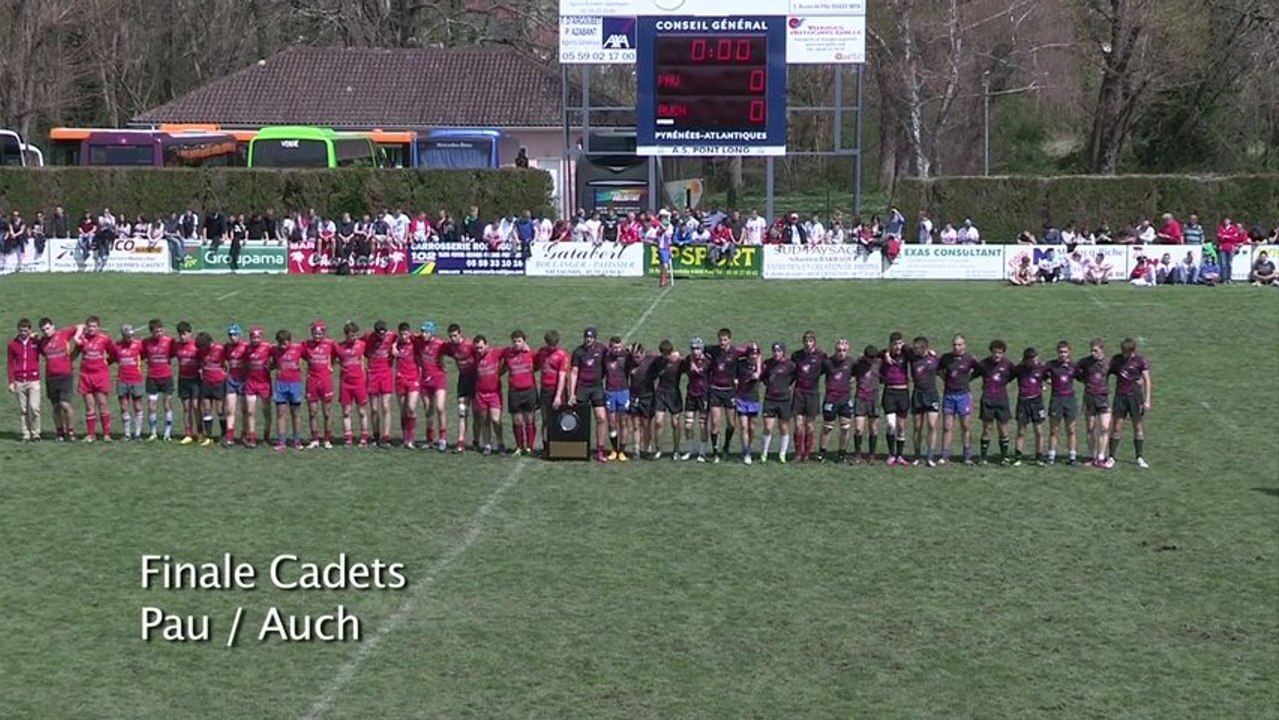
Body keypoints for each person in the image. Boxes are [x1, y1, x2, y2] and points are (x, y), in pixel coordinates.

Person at [1108, 338, 1152, 468]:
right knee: (1117, 427)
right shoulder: (1116, 360)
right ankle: (1111, 456)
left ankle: (1139, 457)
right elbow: (1106, 373)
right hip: (1120, 397)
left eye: (1127, 352)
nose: (1125, 355)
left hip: (1135, 398)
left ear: (1133, 351)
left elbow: (1147, 380)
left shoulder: (1140, 361)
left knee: (1137, 427)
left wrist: (1147, 400)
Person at [569, 326, 610, 463]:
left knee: (601, 418)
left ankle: (600, 449)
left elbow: (614, 356)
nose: (589, 339)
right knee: (581, 419)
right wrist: (571, 393)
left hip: (597, 388)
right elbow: (574, 372)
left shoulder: (602, 349)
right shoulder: (578, 352)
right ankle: (580, 448)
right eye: (587, 337)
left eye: (591, 337)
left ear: (595, 338)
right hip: (582, 388)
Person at [938, 334, 978, 464]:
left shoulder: (969, 358)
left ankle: (967, 456)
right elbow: (938, 370)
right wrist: (945, 379)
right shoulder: (946, 358)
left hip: (963, 396)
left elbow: (979, 370)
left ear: (964, 345)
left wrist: (967, 380)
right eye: (954, 344)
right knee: (947, 427)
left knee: (965, 426)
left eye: (959, 344)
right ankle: (944, 455)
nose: (956, 347)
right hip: (949, 395)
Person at [75, 316, 116, 442]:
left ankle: (106, 434)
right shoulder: (82, 339)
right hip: (86, 376)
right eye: (89, 327)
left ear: (98, 327)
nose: (92, 329)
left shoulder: (105, 339)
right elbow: (76, 352)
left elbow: (113, 354)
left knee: (103, 404)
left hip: (100, 375)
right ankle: (91, 434)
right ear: (86, 327)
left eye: (94, 326)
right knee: (89, 406)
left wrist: (106, 362)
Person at [38, 317, 79, 441]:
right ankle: (60, 433)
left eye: (48, 328)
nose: (46, 331)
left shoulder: (63, 334)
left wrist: (77, 338)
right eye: (43, 330)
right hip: (51, 378)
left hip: (65, 376)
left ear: (53, 326)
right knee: (56, 407)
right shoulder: (42, 342)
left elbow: (80, 326)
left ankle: (70, 432)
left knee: (65, 404)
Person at [975, 339, 1015, 465]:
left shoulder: (1008, 364)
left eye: (1000, 352)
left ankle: (1004, 457)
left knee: (1003, 429)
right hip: (987, 399)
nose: (997, 355)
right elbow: (972, 374)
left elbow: (1015, 374)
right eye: (995, 352)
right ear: (991, 352)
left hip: (1002, 399)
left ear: (1003, 353)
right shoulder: (984, 364)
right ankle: (983, 457)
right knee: (987, 428)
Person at [1076, 338, 1114, 468]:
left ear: (1102, 350)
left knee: (1104, 427)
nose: (1093, 353)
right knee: (1090, 428)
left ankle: (1101, 456)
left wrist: (1137, 380)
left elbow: (1121, 372)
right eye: (1091, 350)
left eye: (1095, 350)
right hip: (1089, 397)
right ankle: (1092, 456)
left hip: (1103, 398)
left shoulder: (1109, 362)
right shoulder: (1085, 362)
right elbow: (1075, 372)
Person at [705, 328, 741, 463]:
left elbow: (754, 351)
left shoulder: (736, 352)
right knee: (715, 422)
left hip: (729, 391)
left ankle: (726, 446)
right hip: (715, 390)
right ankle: (715, 452)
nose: (722, 342)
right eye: (720, 340)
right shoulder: (713, 350)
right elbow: (698, 349)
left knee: (731, 424)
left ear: (730, 340)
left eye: (725, 340)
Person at [789, 331, 825, 462]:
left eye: (811, 341)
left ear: (814, 342)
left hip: (812, 393)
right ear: (803, 342)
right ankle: (798, 453)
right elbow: (791, 373)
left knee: (810, 425)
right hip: (799, 393)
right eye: (806, 341)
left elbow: (828, 369)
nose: (808, 344)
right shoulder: (796, 355)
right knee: (798, 425)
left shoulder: (821, 356)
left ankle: (807, 454)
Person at [817, 338, 855, 463]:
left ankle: (841, 454)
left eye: (844, 350)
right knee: (827, 427)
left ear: (848, 350)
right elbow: (816, 373)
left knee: (845, 428)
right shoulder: (828, 362)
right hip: (831, 399)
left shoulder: (851, 362)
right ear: (835, 350)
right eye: (839, 350)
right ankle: (822, 453)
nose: (841, 353)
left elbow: (855, 374)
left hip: (845, 399)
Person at [415, 322, 450, 452]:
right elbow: (407, 335)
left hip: (438, 379)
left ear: (432, 333)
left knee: (440, 407)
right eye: (422, 332)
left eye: (426, 332)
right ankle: (429, 439)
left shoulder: (440, 344)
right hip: (424, 380)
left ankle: (443, 438)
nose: (423, 334)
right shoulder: (419, 341)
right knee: (428, 411)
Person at [444, 323, 479, 452]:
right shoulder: (450, 347)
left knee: (477, 412)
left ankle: (476, 440)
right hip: (463, 380)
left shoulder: (470, 345)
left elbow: (481, 355)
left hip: (475, 379)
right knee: (462, 411)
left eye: (455, 335)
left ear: (460, 334)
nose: (453, 338)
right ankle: (461, 441)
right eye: (451, 336)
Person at [504, 330, 539, 457]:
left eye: (519, 341)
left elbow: (539, 364)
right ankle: (519, 446)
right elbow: (503, 367)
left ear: (524, 342)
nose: (516, 344)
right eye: (514, 341)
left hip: (529, 391)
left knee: (530, 419)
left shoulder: (531, 353)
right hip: (514, 392)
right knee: (517, 420)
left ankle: (529, 447)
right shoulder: (508, 353)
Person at [1045, 340, 1080, 466]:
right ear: (1057, 353)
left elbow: (1082, 377)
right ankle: (1051, 455)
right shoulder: (1051, 365)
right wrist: (1046, 380)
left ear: (1069, 352)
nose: (1063, 354)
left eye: (1065, 352)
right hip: (1056, 399)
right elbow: (1041, 374)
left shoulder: (1073, 366)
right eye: (1061, 352)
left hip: (1070, 399)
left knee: (1071, 429)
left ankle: (1072, 456)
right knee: (1054, 430)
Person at [335, 322, 371, 446]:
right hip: (345, 383)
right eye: (351, 335)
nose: (354, 338)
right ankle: (348, 438)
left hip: (359, 382)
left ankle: (364, 437)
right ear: (346, 335)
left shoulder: (362, 344)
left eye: (356, 335)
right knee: (346, 411)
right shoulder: (339, 347)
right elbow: (331, 358)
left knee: (362, 411)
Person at [907, 336, 941, 466]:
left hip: (931, 395)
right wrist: (887, 353)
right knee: (917, 427)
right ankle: (917, 456)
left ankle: (930, 456)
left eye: (917, 348)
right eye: (914, 348)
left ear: (925, 348)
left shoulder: (934, 359)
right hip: (918, 395)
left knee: (932, 425)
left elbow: (943, 371)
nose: (914, 350)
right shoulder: (912, 357)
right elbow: (899, 346)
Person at [624, 342, 663, 459]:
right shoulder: (629, 361)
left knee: (646, 424)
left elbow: (664, 356)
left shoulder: (651, 360)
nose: (636, 359)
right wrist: (628, 349)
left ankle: (647, 449)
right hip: (634, 396)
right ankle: (636, 450)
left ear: (643, 354)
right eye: (634, 357)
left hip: (648, 396)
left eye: (638, 357)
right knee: (635, 424)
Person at [760, 341, 796, 463]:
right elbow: (763, 378)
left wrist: (787, 387)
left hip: (784, 400)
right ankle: (764, 453)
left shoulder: (790, 365)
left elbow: (795, 378)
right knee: (768, 427)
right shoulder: (767, 364)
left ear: (783, 352)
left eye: (779, 351)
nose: (776, 353)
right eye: (774, 351)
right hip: (770, 399)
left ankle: (782, 454)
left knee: (784, 427)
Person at [1011, 347, 1048, 465]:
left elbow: (1049, 378)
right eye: (1032, 360)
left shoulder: (1041, 368)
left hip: (1037, 402)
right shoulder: (1019, 369)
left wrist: (1044, 385)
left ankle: (1039, 457)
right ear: (1026, 360)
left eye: (1036, 359)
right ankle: (1017, 457)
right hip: (1023, 402)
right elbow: (1007, 377)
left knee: (1039, 430)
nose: (1035, 362)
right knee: (1021, 431)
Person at [535, 330, 570, 455]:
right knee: (545, 419)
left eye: (554, 345)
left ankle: (560, 445)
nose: (552, 347)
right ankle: (546, 446)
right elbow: (535, 365)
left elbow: (562, 376)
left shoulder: (562, 355)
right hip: (545, 390)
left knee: (560, 418)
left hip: (556, 390)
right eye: (550, 345)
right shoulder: (542, 352)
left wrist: (558, 396)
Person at [879, 332, 912, 465]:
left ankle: (899, 455)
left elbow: (915, 352)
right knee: (891, 424)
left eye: (900, 343)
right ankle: (891, 453)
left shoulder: (906, 354)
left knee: (901, 426)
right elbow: (875, 353)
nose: (898, 347)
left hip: (903, 392)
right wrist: (886, 353)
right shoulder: (885, 355)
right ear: (890, 344)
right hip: (890, 392)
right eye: (895, 344)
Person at [303, 321, 337, 449]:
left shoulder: (330, 344)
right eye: (315, 334)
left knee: (327, 413)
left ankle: (327, 439)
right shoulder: (307, 345)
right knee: (312, 412)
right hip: (312, 381)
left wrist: (330, 365)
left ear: (323, 333)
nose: (317, 336)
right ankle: (315, 439)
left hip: (326, 381)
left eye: (319, 334)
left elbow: (337, 355)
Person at [600, 335, 634, 461]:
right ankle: (614, 449)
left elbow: (639, 355)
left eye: (619, 347)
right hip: (610, 392)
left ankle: (622, 451)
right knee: (612, 422)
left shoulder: (626, 356)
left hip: (623, 392)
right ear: (610, 347)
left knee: (624, 422)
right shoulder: (605, 357)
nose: (617, 349)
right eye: (615, 347)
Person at [271, 328, 306, 450]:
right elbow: (272, 363)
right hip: (280, 385)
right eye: (280, 343)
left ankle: (297, 440)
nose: (282, 346)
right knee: (280, 413)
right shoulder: (274, 350)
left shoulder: (298, 348)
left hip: (295, 384)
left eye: (285, 343)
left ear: (289, 341)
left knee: (295, 413)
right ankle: (281, 441)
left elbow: (310, 355)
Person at [141, 319, 175, 441]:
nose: (159, 333)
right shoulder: (146, 342)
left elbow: (172, 354)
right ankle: (153, 432)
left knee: (167, 405)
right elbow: (143, 355)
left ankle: (167, 433)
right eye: (156, 331)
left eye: (161, 330)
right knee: (151, 406)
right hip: (152, 378)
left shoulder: (169, 341)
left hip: (166, 377)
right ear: (151, 332)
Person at [8, 318, 42, 441]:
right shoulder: (13, 344)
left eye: (26, 331)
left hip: (33, 379)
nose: (23, 333)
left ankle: (36, 432)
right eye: (21, 331)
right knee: (23, 409)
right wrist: (11, 381)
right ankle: (26, 433)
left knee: (34, 407)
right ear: (18, 330)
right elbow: (10, 363)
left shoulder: (35, 343)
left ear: (30, 330)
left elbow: (45, 349)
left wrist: (38, 339)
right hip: (19, 380)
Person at [363, 321, 396, 448]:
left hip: (386, 373)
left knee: (386, 406)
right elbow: (358, 343)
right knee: (374, 408)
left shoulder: (392, 336)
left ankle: (386, 437)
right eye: (380, 333)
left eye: (384, 333)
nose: (382, 336)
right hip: (373, 374)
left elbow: (406, 337)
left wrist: (394, 346)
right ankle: (376, 435)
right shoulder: (368, 337)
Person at [472, 335, 505, 455]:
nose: (479, 350)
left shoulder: (495, 353)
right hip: (481, 394)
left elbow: (509, 352)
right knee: (484, 420)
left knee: (496, 420)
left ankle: (500, 442)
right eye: (477, 348)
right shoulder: (475, 356)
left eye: (481, 347)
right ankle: (487, 444)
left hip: (494, 393)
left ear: (487, 345)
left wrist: (502, 370)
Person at [241, 326, 275, 448]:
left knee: (266, 411)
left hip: (264, 383)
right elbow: (244, 362)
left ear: (261, 337)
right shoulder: (247, 348)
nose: (255, 340)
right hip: (251, 383)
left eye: (257, 337)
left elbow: (277, 358)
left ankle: (266, 437)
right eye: (253, 337)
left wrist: (272, 366)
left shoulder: (267, 347)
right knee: (250, 411)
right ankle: (252, 438)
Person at [111, 324, 145, 441]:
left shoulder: (139, 345)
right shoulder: (117, 346)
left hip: (136, 379)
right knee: (124, 407)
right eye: (128, 337)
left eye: (132, 336)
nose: (131, 338)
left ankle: (137, 434)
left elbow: (144, 355)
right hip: (122, 380)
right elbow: (112, 358)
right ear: (123, 336)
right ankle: (127, 434)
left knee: (138, 406)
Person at [680, 337, 712, 461]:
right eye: (693, 348)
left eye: (698, 348)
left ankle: (702, 452)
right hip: (691, 394)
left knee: (703, 425)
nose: (695, 351)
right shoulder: (688, 360)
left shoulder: (708, 361)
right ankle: (689, 450)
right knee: (688, 425)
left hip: (704, 395)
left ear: (702, 349)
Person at [850, 345, 882, 463]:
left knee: (873, 428)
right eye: (869, 358)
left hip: (874, 398)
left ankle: (872, 455)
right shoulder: (858, 364)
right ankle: (858, 454)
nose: (871, 360)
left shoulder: (879, 363)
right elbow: (851, 375)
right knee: (859, 429)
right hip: (861, 398)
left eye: (873, 358)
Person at [194, 331, 227, 447]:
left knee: (220, 410)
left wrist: (224, 374)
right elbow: (199, 363)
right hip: (206, 383)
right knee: (207, 409)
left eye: (203, 346)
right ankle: (208, 436)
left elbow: (227, 363)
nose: (202, 349)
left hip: (219, 383)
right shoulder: (201, 351)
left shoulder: (220, 349)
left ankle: (224, 433)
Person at [651, 340, 682, 459]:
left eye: (667, 353)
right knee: (658, 422)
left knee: (675, 423)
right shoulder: (657, 362)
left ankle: (676, 450)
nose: (666, 356)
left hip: (674, 394)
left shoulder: (678, 362)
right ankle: (658, 449)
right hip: (661, 393)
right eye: (663, 353)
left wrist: (680, 356)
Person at [733, 342, 763, 464]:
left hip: (754, 399)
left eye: (756, 354)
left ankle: (749, 447)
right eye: (751, 353)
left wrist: (758, 371)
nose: (753, 356)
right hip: (741, 398)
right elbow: (734, 350)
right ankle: (746, 452)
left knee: (752, 428)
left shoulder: (761, 366)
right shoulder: (740, 364)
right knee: (744, 426)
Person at [393, 322, 422, 448]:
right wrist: (394, 345)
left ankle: (412, 438)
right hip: (400, 379)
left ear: (409, 332)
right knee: (403, 410)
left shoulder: (415, 342)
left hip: (413, 379)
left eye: (406, 334)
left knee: (411, 408)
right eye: (402, 334)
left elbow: (424, 338)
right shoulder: (396, 343)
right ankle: (405, 438)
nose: (404, 336)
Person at [172, 321, 201, 444]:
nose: (182, 336)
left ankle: (200, 432)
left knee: (196, 407)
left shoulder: (197, 345)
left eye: (184, 334)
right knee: (186, 408)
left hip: (195, 380)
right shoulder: (177, 346)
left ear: (190, 333)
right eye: (180, 334)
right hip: (183, 379)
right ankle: (188, 433)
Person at [222, 325, 248, 446]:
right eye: (230, 335)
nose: (232, 337)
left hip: (243, 381)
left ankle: (244, 435)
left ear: (240, 335)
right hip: (231, 380)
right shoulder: (227, 347)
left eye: (235, 335)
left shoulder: (246, 347)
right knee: (230, 409)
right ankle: (230, 436)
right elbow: (224, 361)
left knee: (245, 410)